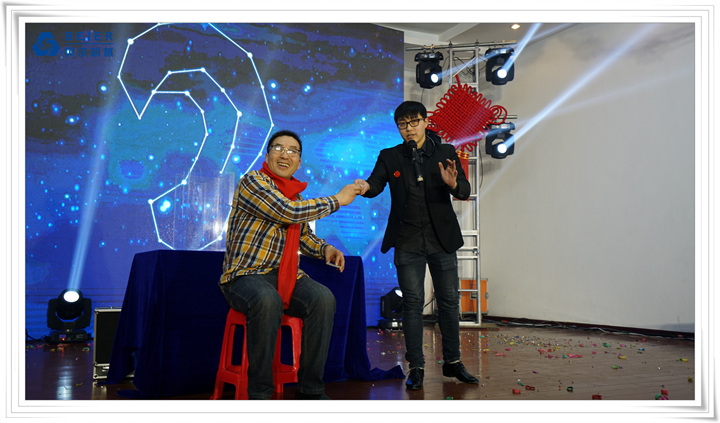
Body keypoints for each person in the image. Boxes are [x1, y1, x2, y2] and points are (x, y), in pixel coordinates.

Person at [219, 130, 361, 400]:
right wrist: (337, 200)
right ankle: (260, 395)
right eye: (278, 148)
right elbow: (286, 212)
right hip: (245, 276)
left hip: (284, 276)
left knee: (323, 299)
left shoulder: (296, 197)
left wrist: (325, 248)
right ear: (267, 155)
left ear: (299, 162)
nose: (285, 155)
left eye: (292, 151)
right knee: (267, 299)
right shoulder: (253, 182)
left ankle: (311, 391)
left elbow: (304, 236)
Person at [354, 101, 479, 390]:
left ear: (425, 121)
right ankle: (417, 366)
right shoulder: (390, 156)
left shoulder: (445, 152)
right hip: (407, 239)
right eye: (403, 124)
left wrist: (452, 184)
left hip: (441, 239)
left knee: (449, 301)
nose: (409, 129)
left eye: (414, 122)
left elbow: (464, 190)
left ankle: (453, 361)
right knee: (412, 303)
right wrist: (364, 187)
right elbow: (375, 184)